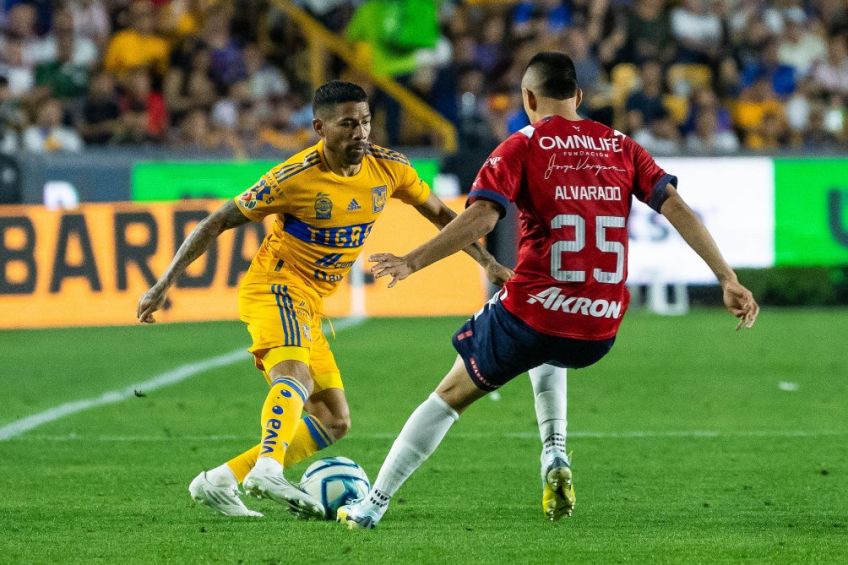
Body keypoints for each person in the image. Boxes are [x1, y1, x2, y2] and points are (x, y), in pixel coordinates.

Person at [338, 52, 760, 529]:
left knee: (449, 394)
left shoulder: (521, 146)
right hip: (600, 327)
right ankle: (555, 449)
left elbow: (481, 217)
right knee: (547, 343)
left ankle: (372, 503)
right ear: (579, 97)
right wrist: (727, 277)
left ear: (528, 98)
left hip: (534, 315)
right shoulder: (622, 146)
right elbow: (677, 206)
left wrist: (414, 260)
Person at [136, 80, 511, 518]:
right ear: (320, 127)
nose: (360, 134)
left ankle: (221, 480)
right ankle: (268, 469)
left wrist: (485, 262)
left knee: (333, 420)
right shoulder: (292, 178)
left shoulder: (389, 168)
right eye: (348, 124)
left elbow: (444, 216)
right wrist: (162, 284)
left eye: (366, 122)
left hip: (310, 300)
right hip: (274, 286)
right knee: (294, 373)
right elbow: (215, 222)